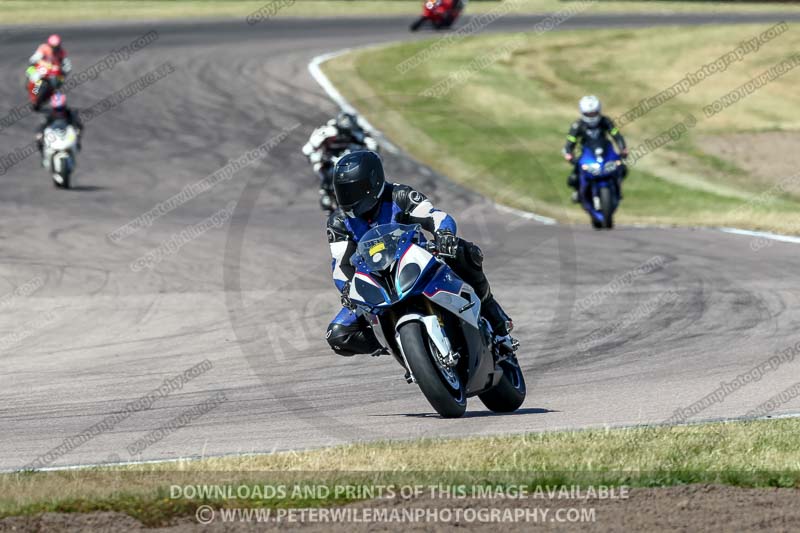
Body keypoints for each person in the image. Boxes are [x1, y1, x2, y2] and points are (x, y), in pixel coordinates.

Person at [324, 150, 516, 360]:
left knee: (465, 252)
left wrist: (444, 234)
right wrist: (347, 289)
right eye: (343, 191)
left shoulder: (399, 195)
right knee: (338, 334)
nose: (349, 198)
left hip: (418, 263)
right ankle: (399, 347)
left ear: (374, 181)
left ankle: (495, 317)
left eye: (355, 190)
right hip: (376, 280)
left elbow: (434, 215)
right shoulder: (339, 222)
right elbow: (341, 264)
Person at [302, 111, 378, 212]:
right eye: (343, 131)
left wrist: (371, 154)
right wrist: (315, 156)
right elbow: (307, 148)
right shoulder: (327, 131)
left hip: (349, 161)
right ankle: (326, 192)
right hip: (328, 161)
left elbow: (372, 146)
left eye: (348, 131)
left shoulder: (356, 132)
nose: (345, 135)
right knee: (326, 171)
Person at [562, 95, 628, 202]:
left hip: (605, 151)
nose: (591, 116)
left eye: (593, 113)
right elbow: (570, 142)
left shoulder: (605, 121)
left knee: (621, 168)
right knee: (574, 177)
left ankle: (617, 189)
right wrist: (569, 154)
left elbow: (616, 135)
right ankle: (577, 192)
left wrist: (623, 148)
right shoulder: (577, 125)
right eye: (589, 113)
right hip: (587, 153)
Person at [27, 34, 72, 111]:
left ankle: (49, 98)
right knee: (34, 76)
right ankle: (34, 96)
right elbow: (34, 58)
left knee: (58, 84)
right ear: (49, 44)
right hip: (42, 69)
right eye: (53, 46)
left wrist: (64, 71)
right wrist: (37, 61)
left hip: (55, 73)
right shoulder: (43, 48)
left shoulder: (62, 52)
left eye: (56, 47)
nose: (54, 48)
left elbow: (67, 65)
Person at [36, 92, 83, 158]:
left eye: (61, 108)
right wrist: (40, 133)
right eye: (57, 109)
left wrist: (78, 130)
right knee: (38, 138)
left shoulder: (70, 113)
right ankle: (43, 156)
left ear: (64, 106)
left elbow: (78, 124)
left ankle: (76, 146)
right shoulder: (49, 115)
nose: (59, 111)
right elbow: (43, 124)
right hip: (54, 133)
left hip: (67, 134)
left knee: (78, 133)